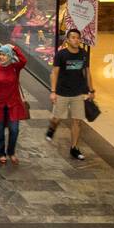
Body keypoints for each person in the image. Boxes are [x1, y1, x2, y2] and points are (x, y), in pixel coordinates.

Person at [47, 27, 95, 161]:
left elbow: (87, 72)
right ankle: (52, 128)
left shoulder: (84, 54)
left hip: (78, 92)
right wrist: (53, 91)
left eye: (78, 38)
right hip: (62, 92)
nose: (76, 40)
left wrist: (91, 90)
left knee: (77, 121)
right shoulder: (61, 55)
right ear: (67, 40)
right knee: (57, 118)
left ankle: (74, 148)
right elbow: (54, 73)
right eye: (73, 37)